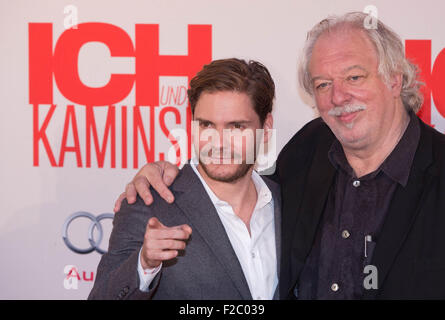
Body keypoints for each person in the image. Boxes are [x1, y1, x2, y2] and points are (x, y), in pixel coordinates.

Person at [114, 12, 445, 299]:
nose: (338, 97)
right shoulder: (308, 149)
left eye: (354, 77)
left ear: (394, 79)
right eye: (323, 84)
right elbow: (236, 183)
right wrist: (160, 171)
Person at [89, 58, 281, 300]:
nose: (218, 143)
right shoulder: (149, 205)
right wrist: (144, 264)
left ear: (266, 128)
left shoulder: (290, 203)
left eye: (236, 127)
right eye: (207, 125)